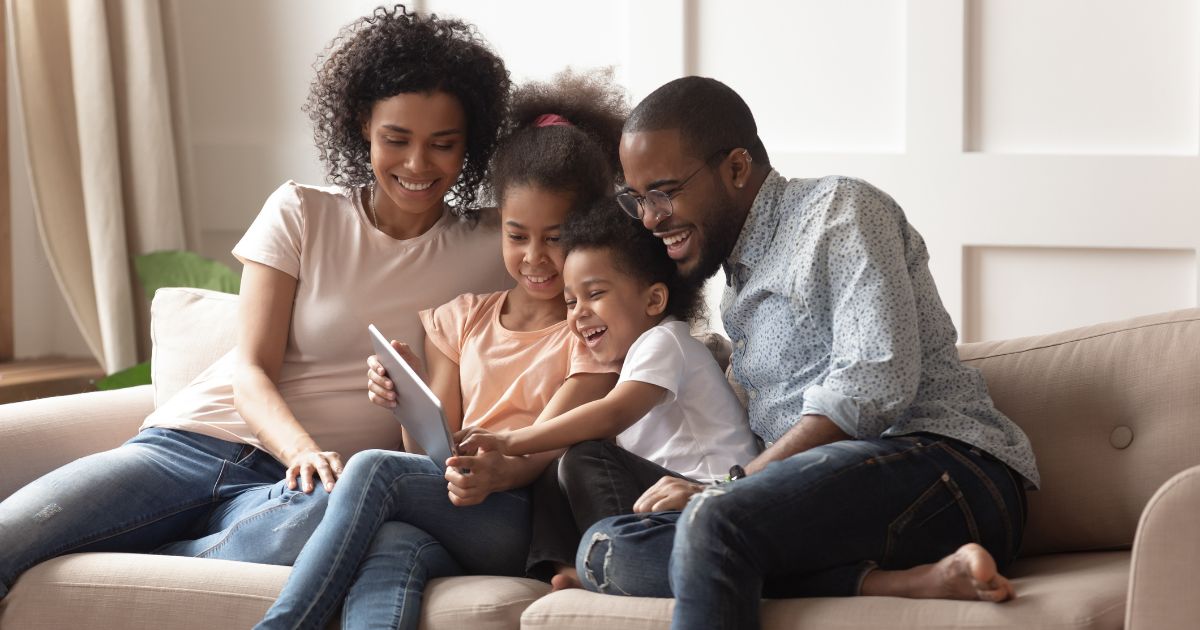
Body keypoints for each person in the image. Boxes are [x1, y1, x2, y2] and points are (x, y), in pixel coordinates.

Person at [0, 5, 512, 599]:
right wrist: (301, 450)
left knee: (333, 520)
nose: (419, 165)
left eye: (443, 145)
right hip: (194, 444)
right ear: (361, 127)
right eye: (396, 139)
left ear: (469, 144)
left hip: (304, 497)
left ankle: (157, 553)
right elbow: (250, 369)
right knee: (13, 534)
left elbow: (581, 229)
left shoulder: (495, 247)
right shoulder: (302, 211)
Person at [579, 76, 1040, 629]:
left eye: (665, 191)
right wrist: (724, 495)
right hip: (830, 498)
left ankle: (730, 527)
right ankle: (900, 582)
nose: (651, 219)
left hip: (947, 473)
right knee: (604, 548)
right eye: (637, 200)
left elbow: (872, 383)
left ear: (736, 168)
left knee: (713, 521)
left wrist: (727, 491)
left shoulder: (839, 210)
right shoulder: (738, 290)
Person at [254, 70, 628, 630]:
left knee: (373, 470)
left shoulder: (592, 336)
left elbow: (541, 449)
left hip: (521, 517)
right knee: (393, 547)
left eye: (557, 237)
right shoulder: (462, 319)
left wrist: (491, 475)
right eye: (517, 234)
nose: (535, 257)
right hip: (455, 503)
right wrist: (407, 396)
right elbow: (428, 448)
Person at [457, 200, 760, 589]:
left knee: (586, 453)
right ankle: (564, 566)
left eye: (594, 294)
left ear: (654, 300)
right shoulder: (633, 360)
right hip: (665, 503)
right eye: (571, 301)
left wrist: (511, 439)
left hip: (706, 501)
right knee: (562, 461)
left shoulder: (667, 341)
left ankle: (620, 557)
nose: (579, 312)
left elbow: (612, 414)